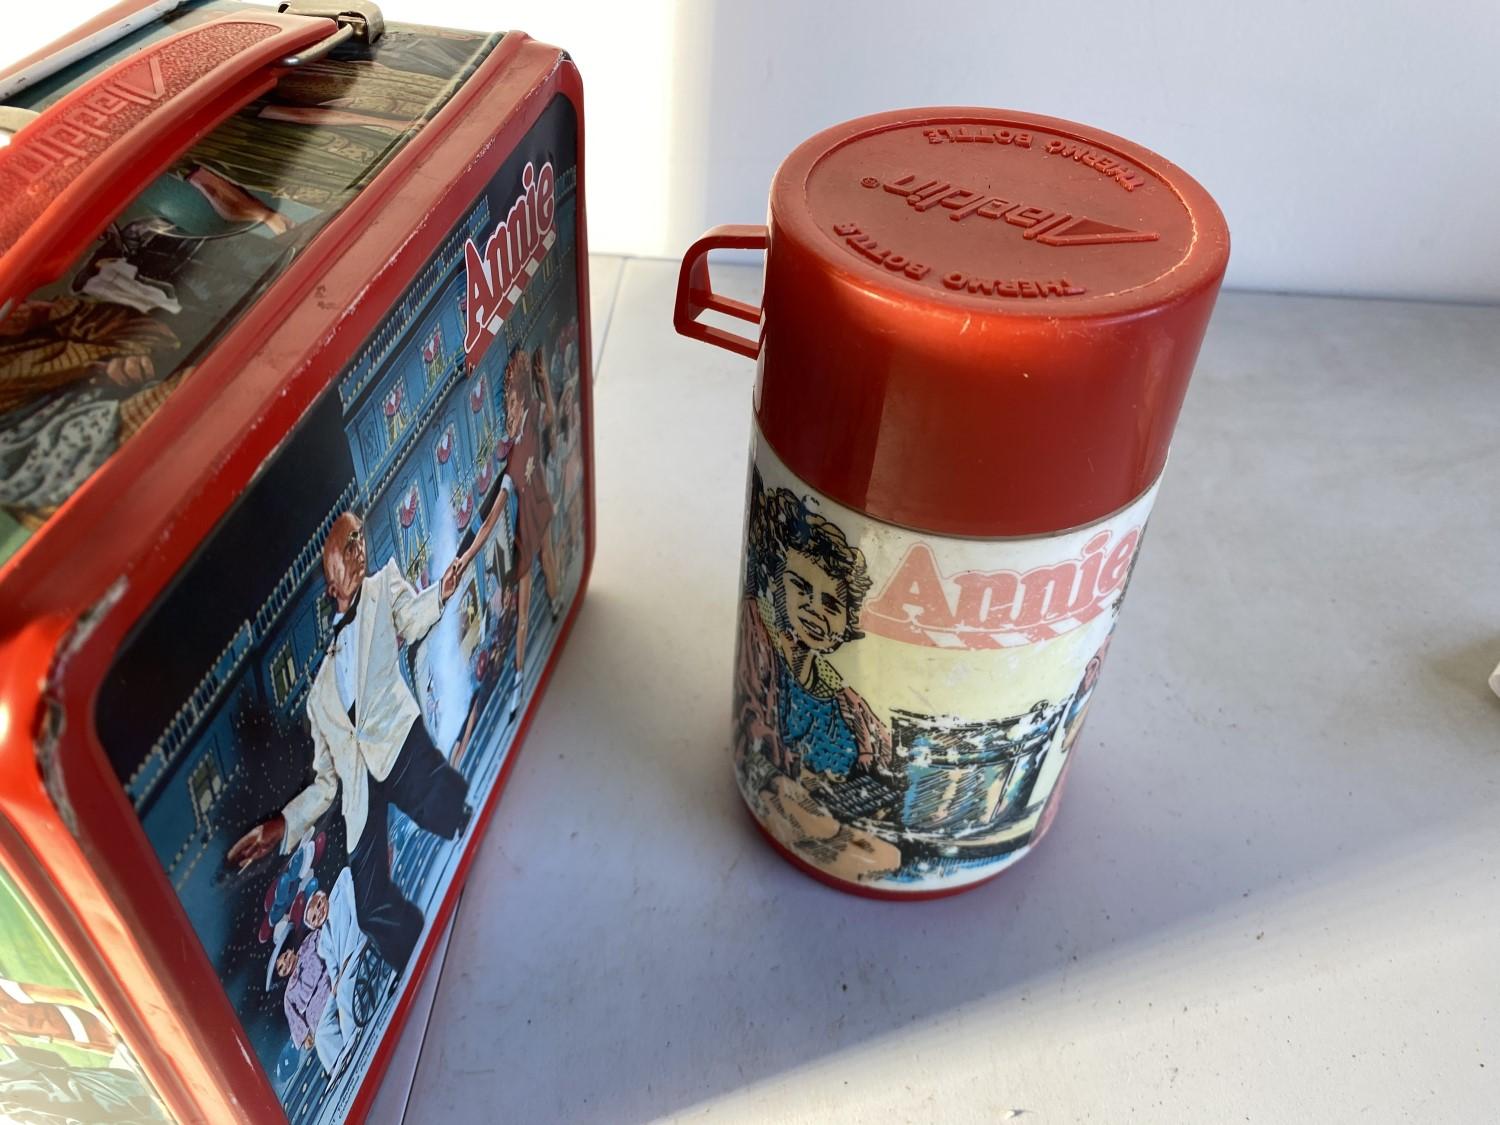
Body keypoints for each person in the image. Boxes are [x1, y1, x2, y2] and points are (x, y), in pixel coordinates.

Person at [228, 508, 502, 976]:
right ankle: (421, 957)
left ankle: (486, 855)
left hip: (399, 743)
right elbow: (324, 783)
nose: (358, 551)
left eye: (359, 540)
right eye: (346, 546)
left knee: (448, 806)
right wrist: (279, 826)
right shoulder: (318, 696)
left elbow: (413, 620)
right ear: (329, 580)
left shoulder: (383, 586)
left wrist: (442, 591)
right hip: (359, 791)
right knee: (370, 905)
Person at [734, 472, 902, 883]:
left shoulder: (846, 701)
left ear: (847, 622)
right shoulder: (765, 649)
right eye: (800, 588)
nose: (814, 609)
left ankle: (830, 840)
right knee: (800, 814)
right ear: (777, 584)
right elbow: (754, 725)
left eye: (831, 603)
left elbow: (880, 767)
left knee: (890, 856)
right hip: (780, 794)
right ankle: (822, 837)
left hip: (836, 814)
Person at [503, 347, 564, 699]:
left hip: (538, 503)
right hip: (525, 523)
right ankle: (519, 676)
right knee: (523, 607)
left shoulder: (533, 413)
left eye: (512, 401)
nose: (508, 410)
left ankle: (557, 602)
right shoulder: (512, 450)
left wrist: (543, 382)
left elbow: (551, 418)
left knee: (551, 558)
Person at [272, 868, 366, 1079]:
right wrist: (304, 1035)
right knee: (323, 1032)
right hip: (318, 1014)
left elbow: (331, 958)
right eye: (282, 968)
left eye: (285, 959)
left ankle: (352, 1038)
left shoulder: (311, 943)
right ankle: (337, 1064)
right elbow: (294, 1015)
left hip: (329, 990)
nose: (286, 965)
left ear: (290, 951)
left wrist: (335, 981)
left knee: (342, 996)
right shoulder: (289, 994)